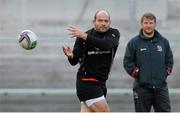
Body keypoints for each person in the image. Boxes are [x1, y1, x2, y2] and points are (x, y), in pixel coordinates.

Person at [62, 10, 120, 112]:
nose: (103, 23)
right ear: (94, 21)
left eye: (106, 21)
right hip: (86, 82)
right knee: (104, 111)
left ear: (109, 22)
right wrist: (71, 56)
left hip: (101, 82)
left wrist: (84, 36)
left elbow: (106, 45)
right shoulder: (83, 36)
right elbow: (74, 61)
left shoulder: (113, 34)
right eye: (100, 20)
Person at [123, 12, 174, 112]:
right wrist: (137, 73)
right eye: (146, 23)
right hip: (142, 88)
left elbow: (169, 60)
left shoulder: (163, 42)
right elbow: (127, 62)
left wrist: (165, 73)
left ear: (155, 24)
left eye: (151, 23)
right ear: (141, 24)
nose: (148, 25)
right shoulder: (134, 42)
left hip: (161, 87)